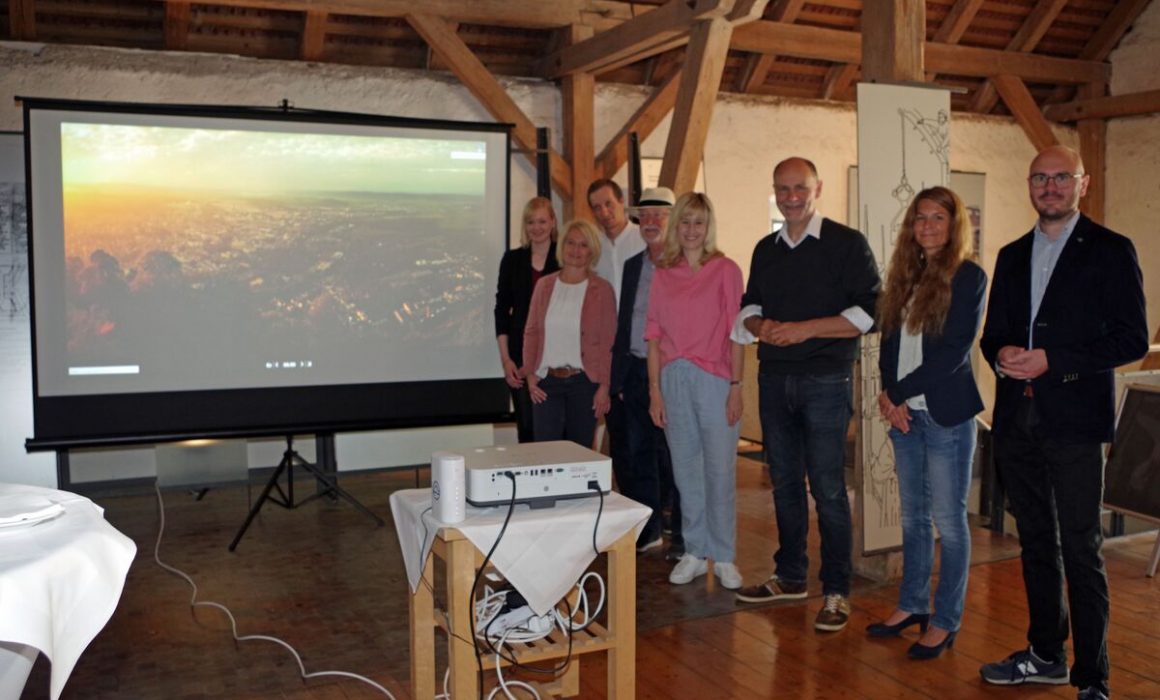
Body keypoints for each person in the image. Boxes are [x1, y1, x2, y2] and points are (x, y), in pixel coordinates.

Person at [978, 145, 1148, 700]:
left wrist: (1054, 359)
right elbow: (992, 331)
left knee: (1081, 546)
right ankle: (1047, 654)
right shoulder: (1010, 254)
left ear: (1083, 184)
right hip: (1016, 420)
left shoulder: (1110, 250)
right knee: (1034, 542)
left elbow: (1130, 339)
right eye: (1039, 178)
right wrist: (1001, 352)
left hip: (1074, 420)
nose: (1049, 187)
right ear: (1029, 185)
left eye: (1060, 178)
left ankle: (1092, 677)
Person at [733, 157, 880, 633]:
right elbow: (749, 308)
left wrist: (804, 330)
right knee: (785, 486)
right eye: (782, 188)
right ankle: (791, 576)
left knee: (830, 490)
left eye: (799, 188)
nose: (790, 196)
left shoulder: (846, 243)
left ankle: (836, 590)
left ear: (818, 188)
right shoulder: (765, 248)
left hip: (825, 383)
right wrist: (763, 326)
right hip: (774, 381)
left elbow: (870, 312)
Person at [866, 187, 987, 659]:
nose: (928, 226)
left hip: (946, 417)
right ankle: (912, 604)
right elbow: (889, 345)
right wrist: (890, 396)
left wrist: (894, 393)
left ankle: (945, 619)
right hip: (906, 415)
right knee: (913, 519)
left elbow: (954, 352)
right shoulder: (905, 275)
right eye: (920, 218)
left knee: (949, 524)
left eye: (938, 217)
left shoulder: (969, 276)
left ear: (954, 225)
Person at [644, 192, 745, 589]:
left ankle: (724, 555)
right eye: (685, 222)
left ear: (709, 227)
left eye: (698, 222)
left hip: (716, 379)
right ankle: (694, 549)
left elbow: (737, 335)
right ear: (676, 226)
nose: (690, 230)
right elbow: (652, 336)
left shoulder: (725, 269)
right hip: (673, 378)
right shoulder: (662, 273)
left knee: (719, 471)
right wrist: (655, 391)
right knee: (685, 472)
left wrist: (736, 387)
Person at [610, 186, 684, 557]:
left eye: (660, 215)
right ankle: (649, 528)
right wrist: (620, 376)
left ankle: (682, 533)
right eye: (646, 215)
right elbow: (626, 322)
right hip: (636, 370)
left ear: (673, 221)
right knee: (639, 454)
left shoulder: (684, 265)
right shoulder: (632, 265)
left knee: (675, 453)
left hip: (673, 371)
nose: (651, 221)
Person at [521, 219, 616, 447]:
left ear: (592, 251)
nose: (576, 250)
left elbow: (609, 342)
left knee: (579, 459)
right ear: (562, 246)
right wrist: (530, 376)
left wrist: (605, 386)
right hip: (546, 384)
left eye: (583, 245)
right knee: (547, 457)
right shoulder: (544, 286)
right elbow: (531, 332)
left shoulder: (602, 290)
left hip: (584, 385)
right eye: (571, 243)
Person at [494, 197, 561, 442]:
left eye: (542, 221)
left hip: (557, 358)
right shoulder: (511, 260)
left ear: (553, 222)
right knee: (528, 429)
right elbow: (501, 311)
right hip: (520, 358)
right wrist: (506, 360)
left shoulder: (565, 258)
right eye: (531, 222)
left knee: (556, 431)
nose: (537, 227)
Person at [587, 178, 645, 304]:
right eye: (597, 208)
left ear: (621, 201)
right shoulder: (594, 248)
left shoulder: (644, 239)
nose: (604, 212)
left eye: (609, 204)